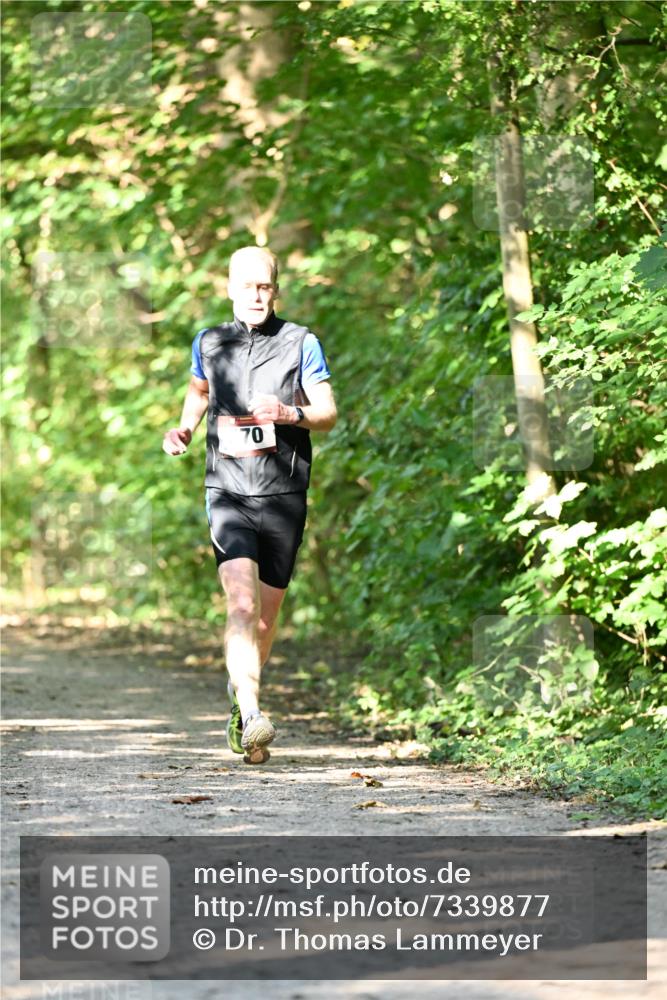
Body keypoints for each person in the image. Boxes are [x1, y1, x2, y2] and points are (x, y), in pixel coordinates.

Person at [162, 246, 337, 764]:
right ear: (231, 289)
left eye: (265, 287)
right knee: (240, 604)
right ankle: (253, 710)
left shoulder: (301, 342)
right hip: (228, 490)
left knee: (265, 618)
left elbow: (327, 412)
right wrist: (186, 428)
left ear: (275, 290)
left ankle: (241, 703)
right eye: (247, 286)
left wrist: (289, 412)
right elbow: (198, 390)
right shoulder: (209, 341)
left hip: (284, 494)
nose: (256, 295)